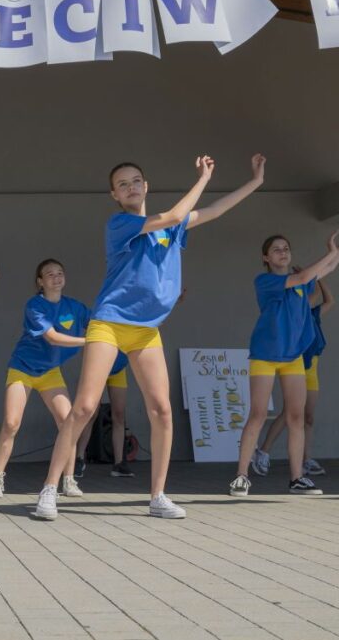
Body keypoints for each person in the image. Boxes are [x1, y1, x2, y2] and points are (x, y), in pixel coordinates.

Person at [34, 154, 267, 521]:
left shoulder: (171, 228)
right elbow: (175, 215)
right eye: (122, 184)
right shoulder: (121, 223)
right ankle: (49, 489)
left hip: (146, 331)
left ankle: (158, 496)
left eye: (136, 181)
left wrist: (255, 182)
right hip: (110, 323)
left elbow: (215, 210)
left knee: (162, 410)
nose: (131, 187)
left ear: (146, 186)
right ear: (114, 194)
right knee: (84, 407)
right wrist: (203, 179)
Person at [230, 221, 339, 497]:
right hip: (265, 355)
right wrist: (330, 250)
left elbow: (330, 267)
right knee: (258, 414)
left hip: (293, 357)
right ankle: (241, 476)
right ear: (266, 258)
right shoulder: (265, 281)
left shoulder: (303, 281)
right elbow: (303, 277)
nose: (283, 252)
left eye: (286, 248)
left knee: (296, 416)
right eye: (276, 249)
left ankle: (297, 478)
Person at [0, 259, 89, 500]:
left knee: (68, 422)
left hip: (50, 372)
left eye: (60, 273)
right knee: (11, 423)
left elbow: (99, 325)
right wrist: (89, 341)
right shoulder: (35, 305)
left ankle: (68, 479)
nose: (56, 277)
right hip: (22, 369)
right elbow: (52, 338)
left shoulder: (75, 307)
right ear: (40, 282)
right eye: (50, 274)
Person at [251, 276, 334, 477]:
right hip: (297, 364)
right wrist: (309, 276)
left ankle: (306, 459)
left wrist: (318, 278)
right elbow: (310, 296)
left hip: (312, 367)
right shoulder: (297, 309)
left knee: (308, 416)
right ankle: (264, 450)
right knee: (290, 413)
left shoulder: (313, 314)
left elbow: (329, 300)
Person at [73, 351, 134, 478]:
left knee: (119, 414)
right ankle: (79, 459)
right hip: (97, 368)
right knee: (90, 413)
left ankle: (119, 464)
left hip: (118, 370)